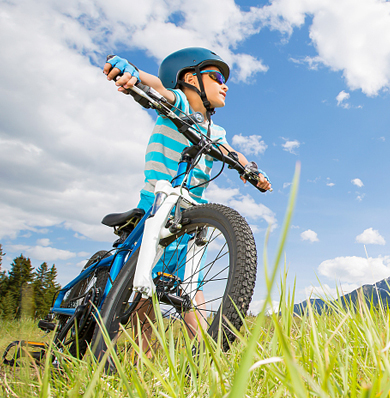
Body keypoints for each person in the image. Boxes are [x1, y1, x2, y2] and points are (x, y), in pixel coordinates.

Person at [102, 48, 271, 354]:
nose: (225, 84)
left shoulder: (215, 130)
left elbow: (232, 153)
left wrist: (251, 169)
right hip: (158, 204)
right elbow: (158, 89)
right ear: (190, 78)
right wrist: (134, 73)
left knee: (191, 288)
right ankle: (139, 365)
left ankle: (210, 356)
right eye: (217, 76)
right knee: (147, 292)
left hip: (189, 213)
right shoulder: (179, 105)